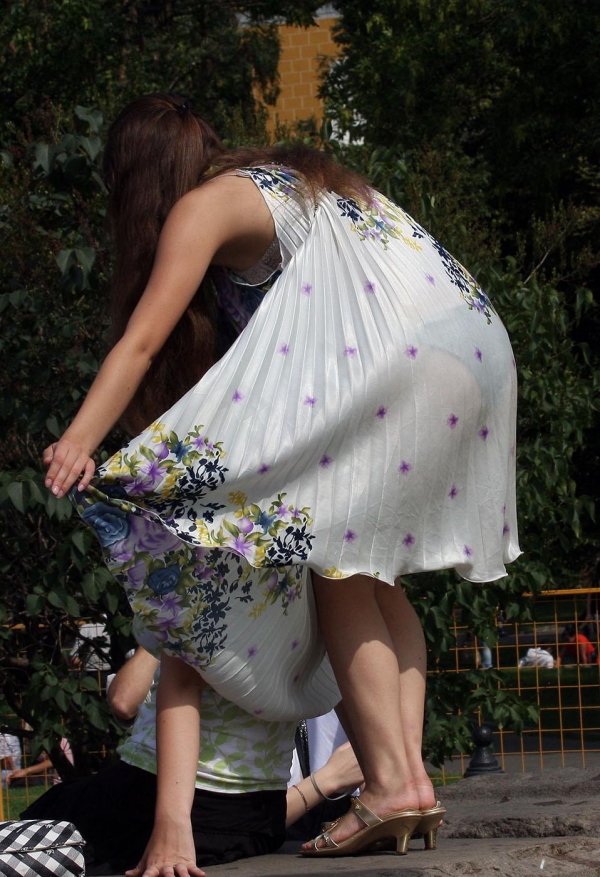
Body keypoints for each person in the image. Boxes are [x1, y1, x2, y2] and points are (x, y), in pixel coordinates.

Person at [42, 94, 520, 871]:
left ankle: (391, 782)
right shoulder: (284, 181)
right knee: (374, 573)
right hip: (469, 345)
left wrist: (78, 440)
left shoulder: (200, 207)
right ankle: (408, 778)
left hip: (396, 360)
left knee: (329, 558)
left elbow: (141, 341)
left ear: (137, 178)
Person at [23, 648, 352, 873]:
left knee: (47, 826)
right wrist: (163, 626)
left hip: (197, 810)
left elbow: (163, 689)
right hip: (241, 819)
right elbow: (124, 699)